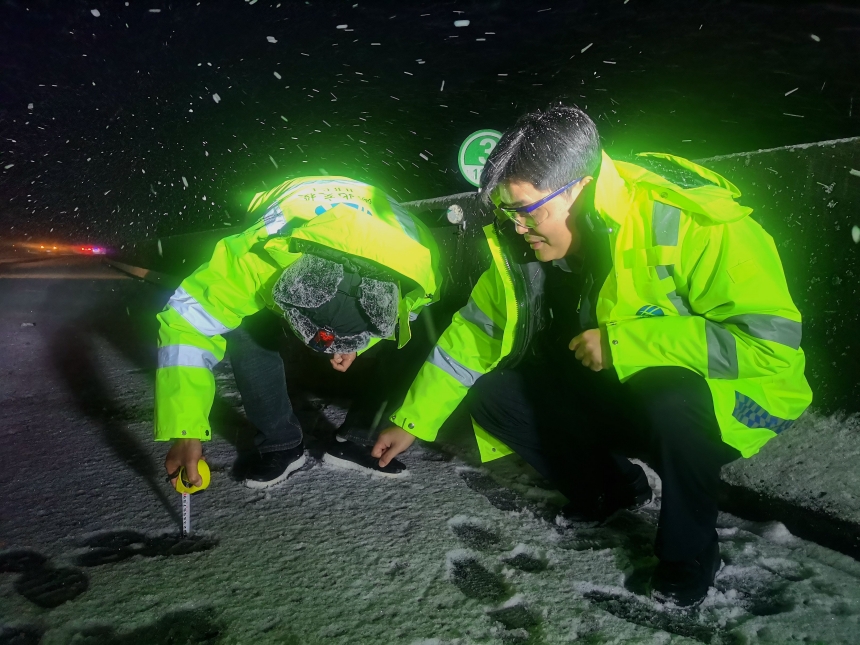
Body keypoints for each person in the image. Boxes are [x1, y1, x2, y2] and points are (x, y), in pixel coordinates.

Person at [372, 106, 812, 606]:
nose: (517, 227)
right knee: (494, 391)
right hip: (616, 390)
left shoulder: (691, 220)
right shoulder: (522, 247)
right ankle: (610, 488)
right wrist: (411, 420)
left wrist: (627, 344)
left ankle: (691, 553)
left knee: (673, 395)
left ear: (579, 188)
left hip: (729, 401)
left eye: (526, 209)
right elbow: (471, 336)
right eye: (507, 212)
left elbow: (769, 345)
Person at [155, 176, 441, 489]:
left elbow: (408, 312)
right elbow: (187, 322)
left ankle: (359, 439)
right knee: (248, 328)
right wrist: (186, 430)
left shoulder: (419, 265)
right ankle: (280, 443)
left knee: (406, 342)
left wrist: (359, 340)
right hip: (287, 208)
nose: (323, 348)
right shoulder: (257, 258)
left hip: (375, 215)